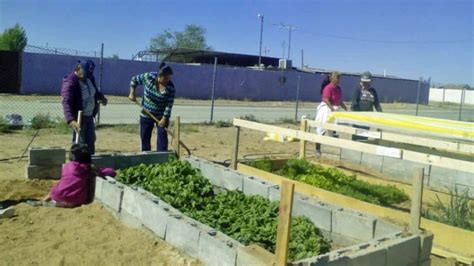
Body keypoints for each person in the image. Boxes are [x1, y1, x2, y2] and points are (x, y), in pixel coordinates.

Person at [42, 144, 116, 208]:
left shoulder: (67, 166)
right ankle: (58, 204)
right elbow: (112, 172)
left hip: (57, 196)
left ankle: (44, 201)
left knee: (57, 187)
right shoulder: (89, 169)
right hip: (75, 202)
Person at [61, 60, 108, 154]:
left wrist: (101, 97)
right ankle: (78, 166)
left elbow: (94, 91)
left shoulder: (89, 78)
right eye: (85, 74)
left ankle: (90, 163)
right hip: (79, 119)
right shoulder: (70, 81)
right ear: (79, 69)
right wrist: (70, 120)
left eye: (89, 75)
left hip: (89, 116)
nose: (86, 77)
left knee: (91, 140)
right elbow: (66, 102)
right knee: (80, 145)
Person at [128, 62, 176, 152]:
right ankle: (146, 157)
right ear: (159, 76)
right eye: (165, 78)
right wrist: (132, 92)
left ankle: (161, 157)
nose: (167, 80)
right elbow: (134, 79)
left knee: (162, 138)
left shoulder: (170, 87)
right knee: (145, 137)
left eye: (169, 78)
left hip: (161, 115)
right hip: (146, 113)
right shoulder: (149, 77)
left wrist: (164, 119)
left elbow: (169, 105)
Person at [314, 71, 348, 155]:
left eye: (339, 78)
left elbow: (339, 101)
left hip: (334, 110)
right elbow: (325, 99)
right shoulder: (328, 88)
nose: (338, 80)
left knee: (333, 128)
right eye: (337, 78)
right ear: (332, 78)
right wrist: (331, 108)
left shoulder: (338, 89)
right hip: (326, 109)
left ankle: (333, 141)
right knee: (321, 129)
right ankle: (317, 149)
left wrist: (346, 108)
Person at [350, 72, 382, 141]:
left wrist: (381, 117)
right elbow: (353, 102)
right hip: (358, 118)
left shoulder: (373, 91)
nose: (365, 83)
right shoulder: (358, 89)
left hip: (368, 118)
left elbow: (377, 105)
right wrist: (354, 112)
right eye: (363, 82)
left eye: (367, 82)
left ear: (370, 81)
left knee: (364, 137)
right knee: (356, 136)